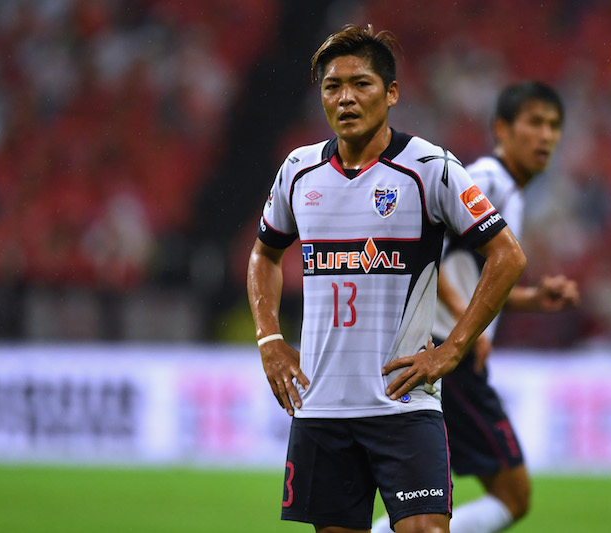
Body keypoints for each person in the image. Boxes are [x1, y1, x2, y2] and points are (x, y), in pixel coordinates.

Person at [247, 24, 527, 533]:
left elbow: (506, 256)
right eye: (333, 86)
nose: (345, 98)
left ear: (392, 93)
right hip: (321, 408)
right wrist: (269, 339)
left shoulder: (430, 168)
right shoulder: (298, 170)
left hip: (403, 404)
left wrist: (453, 348)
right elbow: (263, 255)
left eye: (361, 84)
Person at [373, 82, 580, 533]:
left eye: (554, 126)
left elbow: (471, 281)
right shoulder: (487, 180)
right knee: (511, 494)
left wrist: (531, 299)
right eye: (535, 123)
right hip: (448, 353)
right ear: (502, 129)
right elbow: (427, 249)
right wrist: (471, 330)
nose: (546, 136)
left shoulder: (509, 192)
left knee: (429, 496)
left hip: (448, 350)